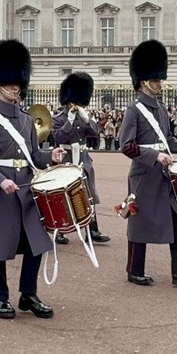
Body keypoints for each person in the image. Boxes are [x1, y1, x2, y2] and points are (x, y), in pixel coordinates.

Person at [0, 40, 65, 319]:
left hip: (26, 190)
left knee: (36, 242)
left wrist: (52, 157)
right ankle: (0, 298)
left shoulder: (26, 120)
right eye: (9, 83)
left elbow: (34, 155)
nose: (15, 87)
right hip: (2, 193)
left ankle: (28, 294)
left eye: (17, 83)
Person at [119, 40, 177, 288]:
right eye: (156, 79)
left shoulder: (159, 107)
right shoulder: (133, 110)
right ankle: (134, 270)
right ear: (144, 80)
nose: (160, 83)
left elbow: (168, 141)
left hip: (163, 176)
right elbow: (126, 145)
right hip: (144, 176)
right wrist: (153, 156)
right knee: (139, 223)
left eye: (159, 79)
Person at [51, 72, 110, 244]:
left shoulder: (83, 117)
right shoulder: (58, 118)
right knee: (63, 195)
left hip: (83, 160)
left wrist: (87, 118)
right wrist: (69, 121)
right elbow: (59, 138)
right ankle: (59, 231)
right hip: (67, 159)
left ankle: (92, 231)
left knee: (88, 195)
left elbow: (95, 132)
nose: (74, 105)